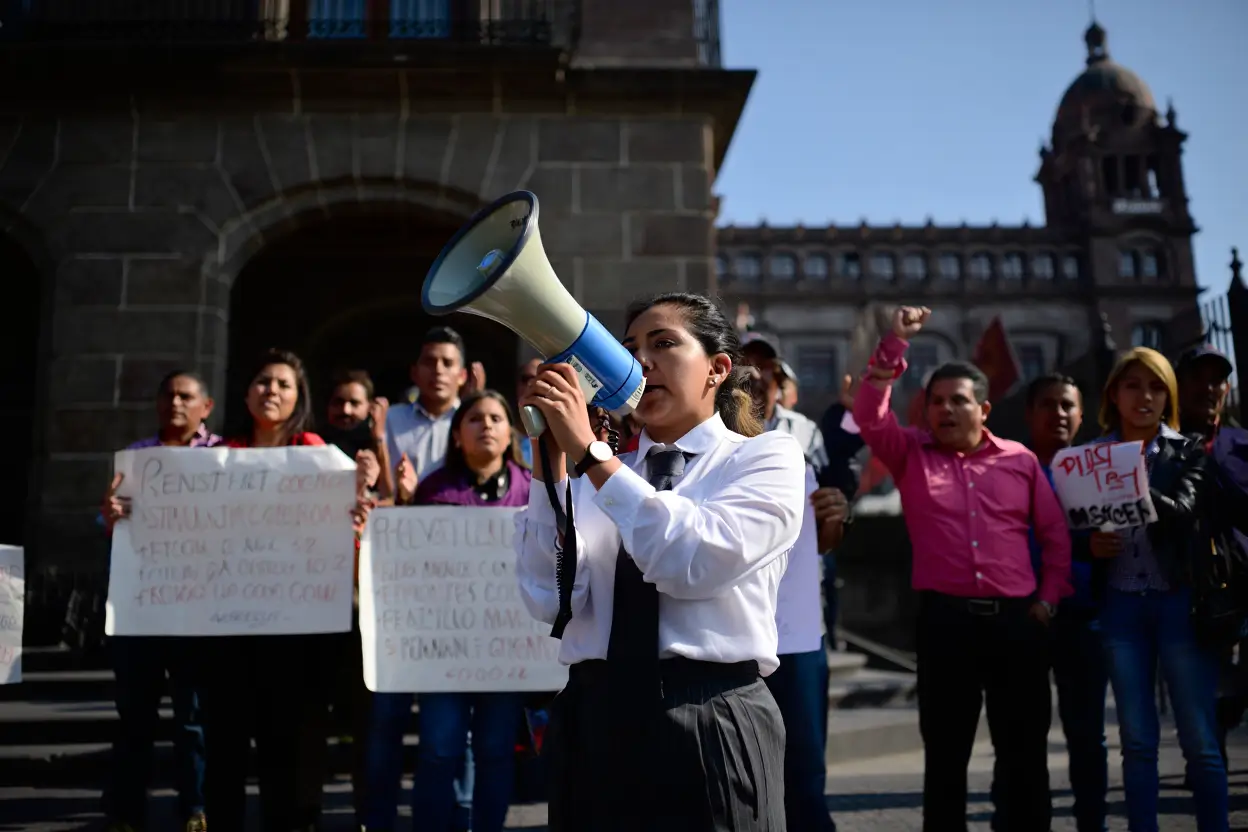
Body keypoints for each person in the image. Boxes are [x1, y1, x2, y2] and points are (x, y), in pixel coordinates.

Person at [515, 292, 803, 830]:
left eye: (664, 343)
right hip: (593, 716)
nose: (641, 362)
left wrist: (589, 457)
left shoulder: (765, 456)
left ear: (717, 369)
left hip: (711, 712)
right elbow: (547, 598)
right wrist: (548, 471)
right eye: (630, 350)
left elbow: (691, 561)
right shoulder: (601, 470)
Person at [852, 305, 1070, 832]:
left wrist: (1047, 601)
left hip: (1018, 624)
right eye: (936, 402)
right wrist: (893, 347)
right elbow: (868, 414)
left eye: (958, 401)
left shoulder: (1020, 460)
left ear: (984, 409)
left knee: (1023, 754)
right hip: (945, 625)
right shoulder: (910, 454)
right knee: (945, 757)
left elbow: (1054, 537)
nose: (945, 410)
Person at [198, 348, 376, 831]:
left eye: (283, 385)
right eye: (263, 381)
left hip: (295, 638)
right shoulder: (215, 457)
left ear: (299, 399)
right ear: (247, 392)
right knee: (225, 750)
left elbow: (344, 534)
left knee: (287, 749)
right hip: (227, 634)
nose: (271, 391)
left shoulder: (319, 455)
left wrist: (358, 513)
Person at [365, 390, 532, 832]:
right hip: (446, 653)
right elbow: (410, 568)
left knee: (496, 751)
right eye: (475, 419)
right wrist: (403, 507)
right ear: (458, 435)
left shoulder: (531, 489)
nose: (488, 426)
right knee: (440, 749)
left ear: (510, 430)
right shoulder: (434, 489)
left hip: (506, 653)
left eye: (497, 418)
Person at [1082, 346, 1227, 831]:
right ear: (1114, 396)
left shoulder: (1187, 450)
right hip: (1121, 608)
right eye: (1132, 386)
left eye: (1155, 386)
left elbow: (1185, 510)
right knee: (1138, 741)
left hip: (1177, 604)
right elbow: (1079, 529)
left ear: (1168, 396)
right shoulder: (1090, 457)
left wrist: (1134, 478)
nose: (1144, 396)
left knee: (1199, 739)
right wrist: (1093, 545)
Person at [100, 370, 219, 832]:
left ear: (205, 406)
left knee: (193, 718)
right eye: (168, 394)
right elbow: (111, 532)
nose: (176, 403)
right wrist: (110, 517)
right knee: (134, 716)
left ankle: (196, 808)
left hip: (198, 611)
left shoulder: (225, 459)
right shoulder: (134, 458)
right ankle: (126, 813)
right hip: (143, 609)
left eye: (186, 396)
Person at [743, 357, 843, 831]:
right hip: (729, 645)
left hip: (795, 639)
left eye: (768, 374)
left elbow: (819, 539)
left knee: (803, 780)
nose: (757, 380)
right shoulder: (680, 454)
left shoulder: (798, 452)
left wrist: (834, 518)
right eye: (746, 370)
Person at [1016, 374, 1107, 832]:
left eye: (1068, 406)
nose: (1059, 414)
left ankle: (1093, 822)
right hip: (1025, 616)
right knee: (1023, 738)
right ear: (1030, 413)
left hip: (1084, 616)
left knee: (1087, 735)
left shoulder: (1102, 467)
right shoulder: (1011, 465)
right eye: (1048, 405)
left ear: (1082, 414)